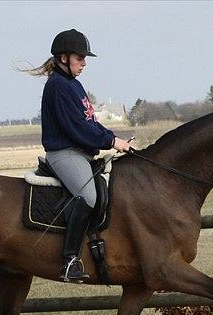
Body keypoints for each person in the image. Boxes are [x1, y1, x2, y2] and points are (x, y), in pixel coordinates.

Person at [30, 29, 131, 283]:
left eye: (85, 59)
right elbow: (77, 128)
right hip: (64, 153)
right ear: (63, 58)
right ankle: (69, 260)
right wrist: (110, 142)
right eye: (80, 58)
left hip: (81, 152)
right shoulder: (58, 86)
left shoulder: (73, 85)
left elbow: (90, 122)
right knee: (88, 195)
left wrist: (112, 137)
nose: (84, 64)